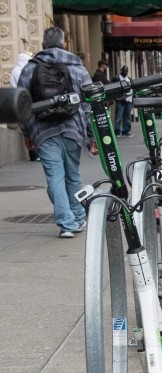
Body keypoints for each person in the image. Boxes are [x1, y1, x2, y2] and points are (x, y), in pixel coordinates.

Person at [18, 26, 93, 238]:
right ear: (64, 44)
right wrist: (90, 136)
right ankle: (77, 218)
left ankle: (67, 222)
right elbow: (88, 105)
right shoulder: (78, 68)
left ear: (43, 45)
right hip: (73, 130)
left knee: (55, 178)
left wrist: (27, 134)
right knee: (73, 177)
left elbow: (22, 104)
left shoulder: (30, 69)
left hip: (43, 132)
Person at [9, 51, 38, 161]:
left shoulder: (18, 70)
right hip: (22, 101)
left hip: (23, 100)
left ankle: (34, 152)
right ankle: (33, 153)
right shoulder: (18, 71)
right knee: (29, 125)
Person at [115, 65, 132, 136]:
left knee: (127, 116)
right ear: (121, 71)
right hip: (121, 100)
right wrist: (117, 99)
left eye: (126, 71)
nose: (125, 73)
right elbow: (114, 89)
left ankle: (126, 131)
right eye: (124, 71)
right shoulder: (117, 78)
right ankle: (117, 131)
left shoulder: (129, 79)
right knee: (119, 116)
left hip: (129, 100)